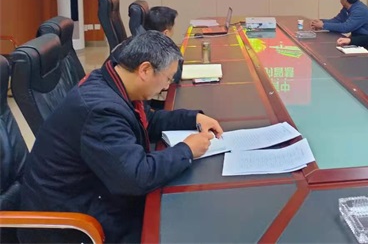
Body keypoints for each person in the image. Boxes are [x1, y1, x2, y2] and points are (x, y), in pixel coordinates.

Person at [19, 31, 223, 243]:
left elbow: (147, 121)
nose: (166, 87)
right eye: (167, 78)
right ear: (145, 70)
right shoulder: (101, 110)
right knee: (185, 226)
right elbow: (136, 177)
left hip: (95, 194)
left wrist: (193, 118)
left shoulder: (112, 80)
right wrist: (186, 150)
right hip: (74, 225)